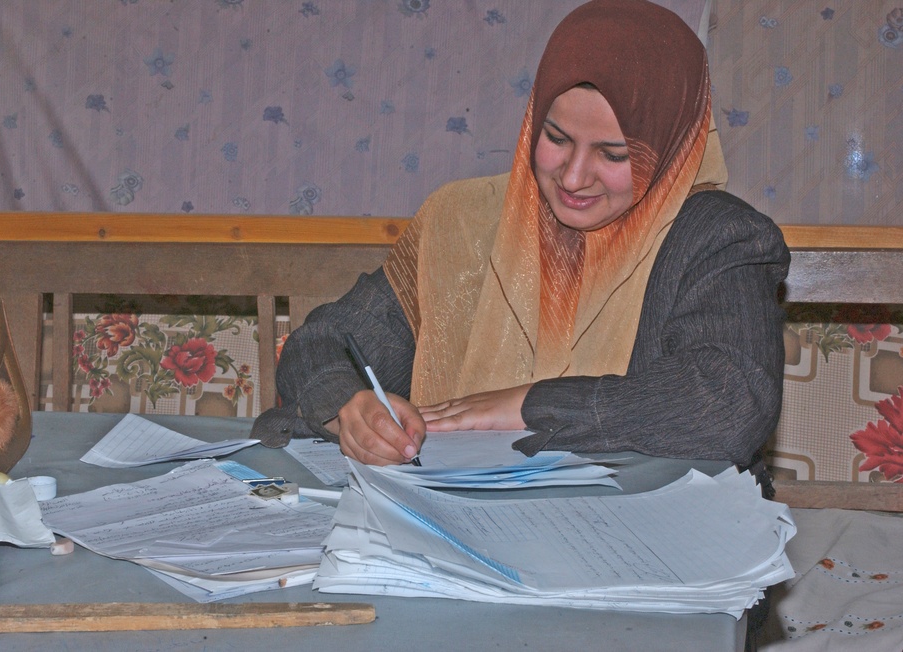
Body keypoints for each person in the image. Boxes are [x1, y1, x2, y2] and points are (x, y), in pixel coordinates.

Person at [251, 0, 790, 473]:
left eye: (614, 154)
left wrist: (529, 406)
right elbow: (323, 342)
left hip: (641, 549)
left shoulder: (719, 239)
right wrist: (350, 405)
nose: (574, 177)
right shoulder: (464, 221)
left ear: (671, 144)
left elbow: (729, 402)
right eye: (555, 139)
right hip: (463, 531)